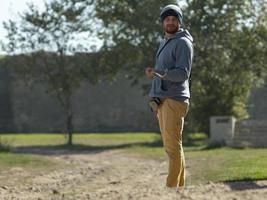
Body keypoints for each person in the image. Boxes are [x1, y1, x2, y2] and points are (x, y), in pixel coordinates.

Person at [145, 4, 193, 188]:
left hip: (174, 99)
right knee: (173, 148)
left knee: (173, 149)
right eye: (167, 19)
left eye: (174, 19)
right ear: (163, 22)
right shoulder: (166, 41)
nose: (171, 21)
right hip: (164, 100)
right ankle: (178, 189)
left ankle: (170, 190)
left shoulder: (182, 42)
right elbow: (163, 72)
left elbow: (182, 73)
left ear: (179, 21)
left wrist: (160, 72)